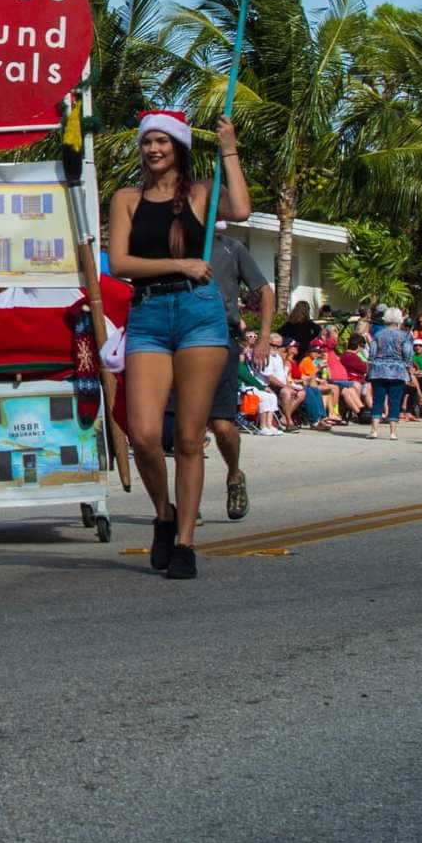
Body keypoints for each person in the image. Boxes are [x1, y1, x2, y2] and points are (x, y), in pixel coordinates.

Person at [108, 110, 248, 581]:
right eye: (147, 141)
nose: (153, 149)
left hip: (199, 313)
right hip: (148, 313)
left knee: (189, 437)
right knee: (145, 435)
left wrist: (228, 149)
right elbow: (121, 263)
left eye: (162, 141)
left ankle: (185, 541)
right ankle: (163, 514)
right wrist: (180, 264)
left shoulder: (201, 193)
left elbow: (242, 209)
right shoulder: (127, 199)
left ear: (179, 147)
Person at [206, 231, 272, 520]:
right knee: (188, 430)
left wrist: (264, 336)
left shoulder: (231, 248)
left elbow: (265, 291)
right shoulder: (175, 245)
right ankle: (187, 505)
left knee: (221, 427)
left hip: (222, 339)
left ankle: (234, 475)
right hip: (183, 339)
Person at [366, 307, 412, 441]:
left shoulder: (378, 334)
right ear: (399, 320)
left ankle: (374, 430)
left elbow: (372, 353)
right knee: (395, 401)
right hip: (398, 371)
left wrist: (370, 369)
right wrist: (408, 369)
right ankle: (393, 432)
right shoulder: (404, 335)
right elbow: (408, 354)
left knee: (378, 400)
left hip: (378, 370)